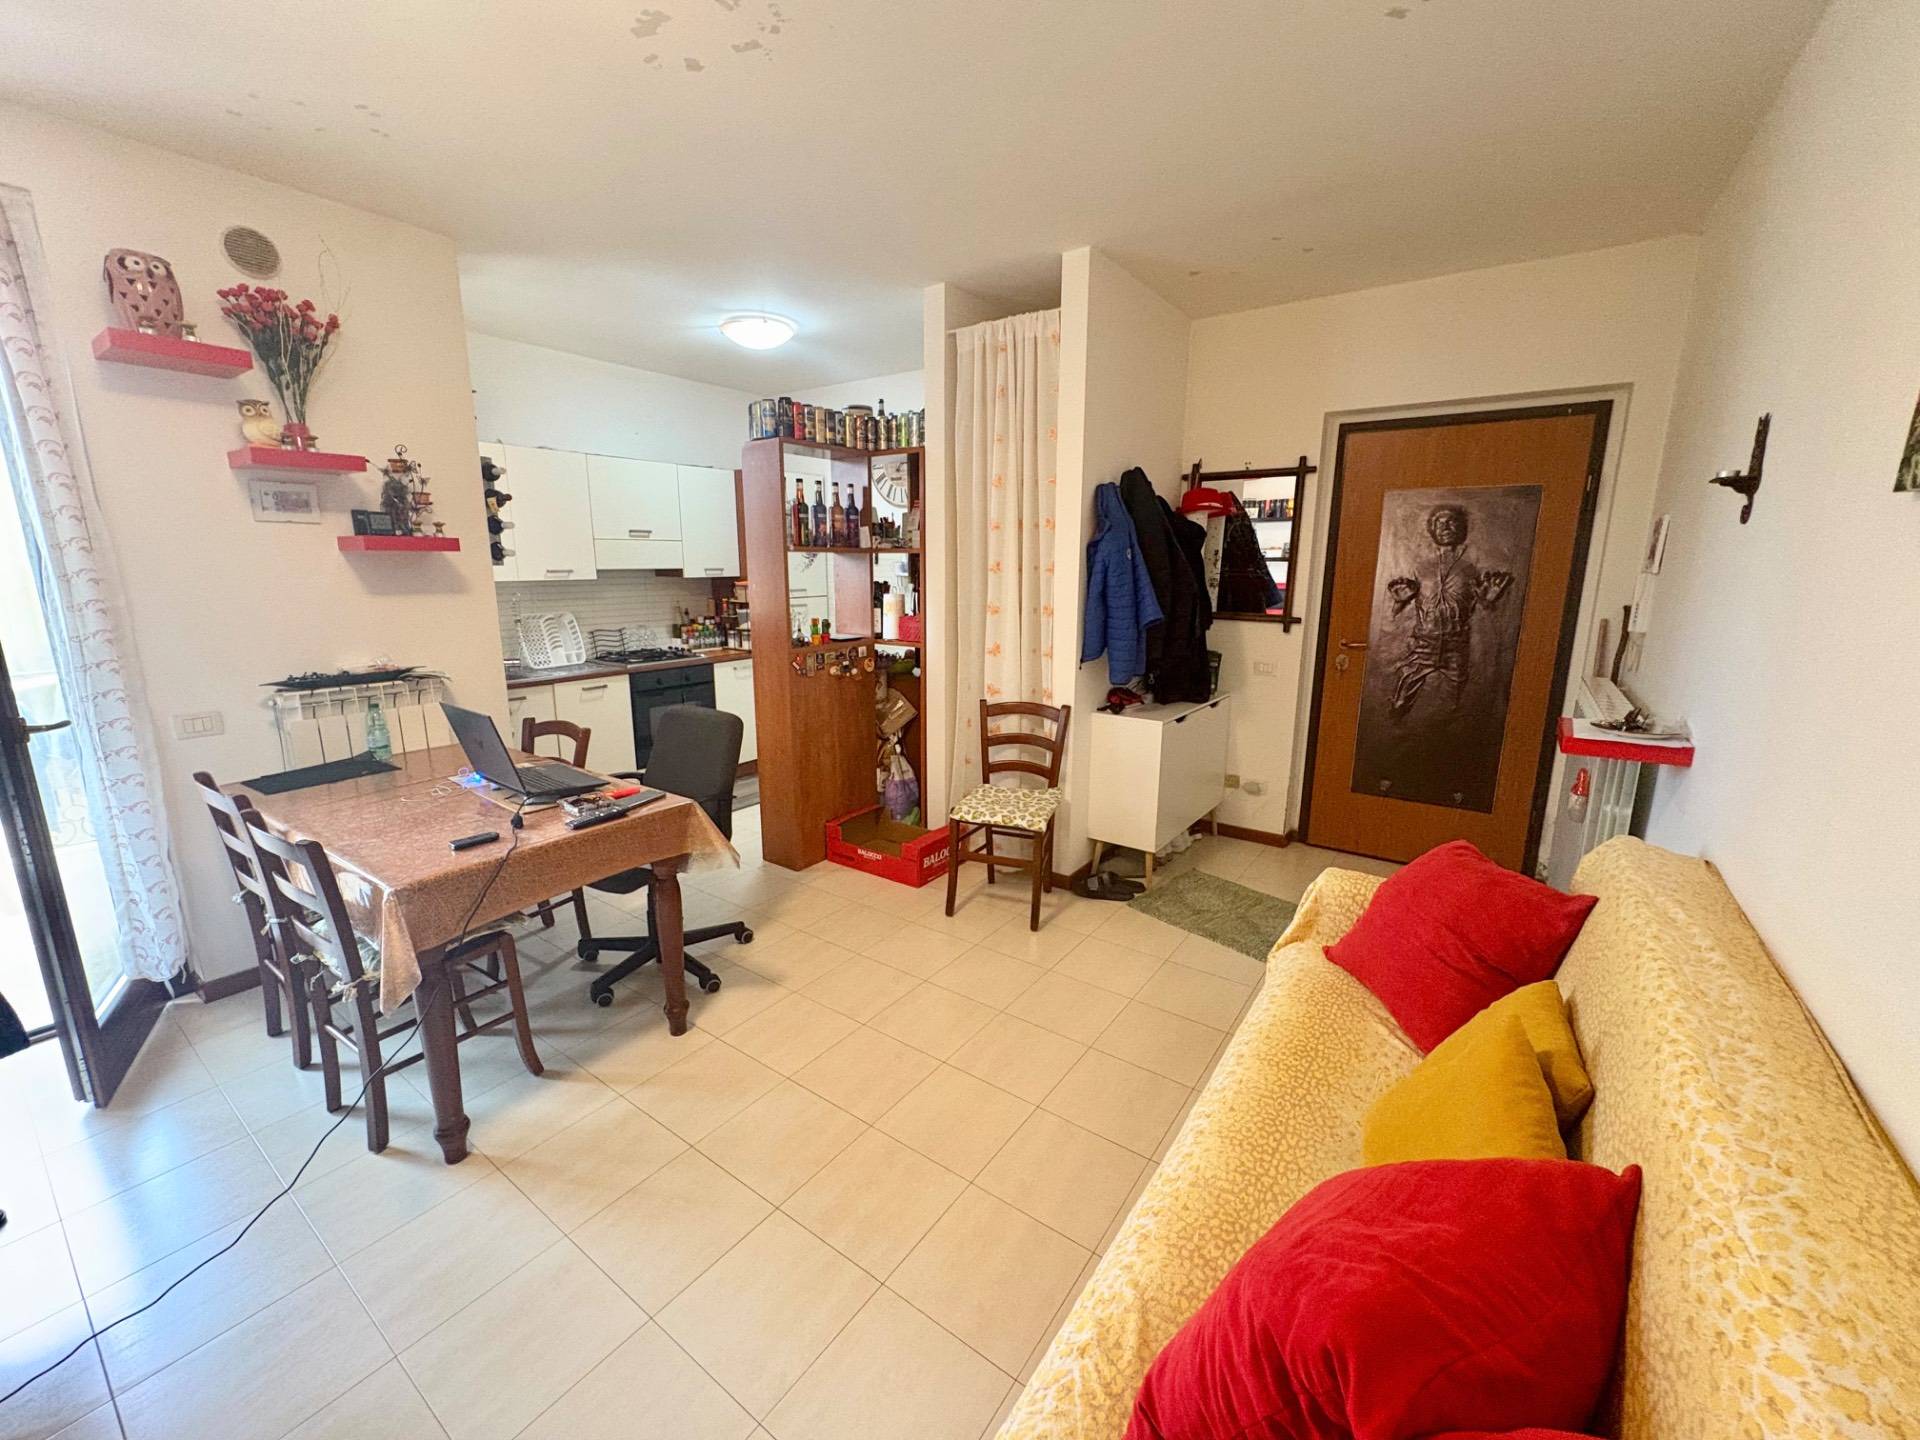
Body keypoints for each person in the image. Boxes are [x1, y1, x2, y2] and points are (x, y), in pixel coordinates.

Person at [1384, 504, 1513, 720]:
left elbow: (1491, 616)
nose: (1445, 527)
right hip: (1423, 645)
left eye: (1451, 521)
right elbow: (1390, 618)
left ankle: (1444, 730)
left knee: (1454, 703)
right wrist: (1399, 602)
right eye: (1439, 523)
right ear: (1432, 530)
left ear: (1462, 528)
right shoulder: (1420, 568)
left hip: (1456, 647)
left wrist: (1489, 600)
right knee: (1401, 699)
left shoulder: (1471, 570)